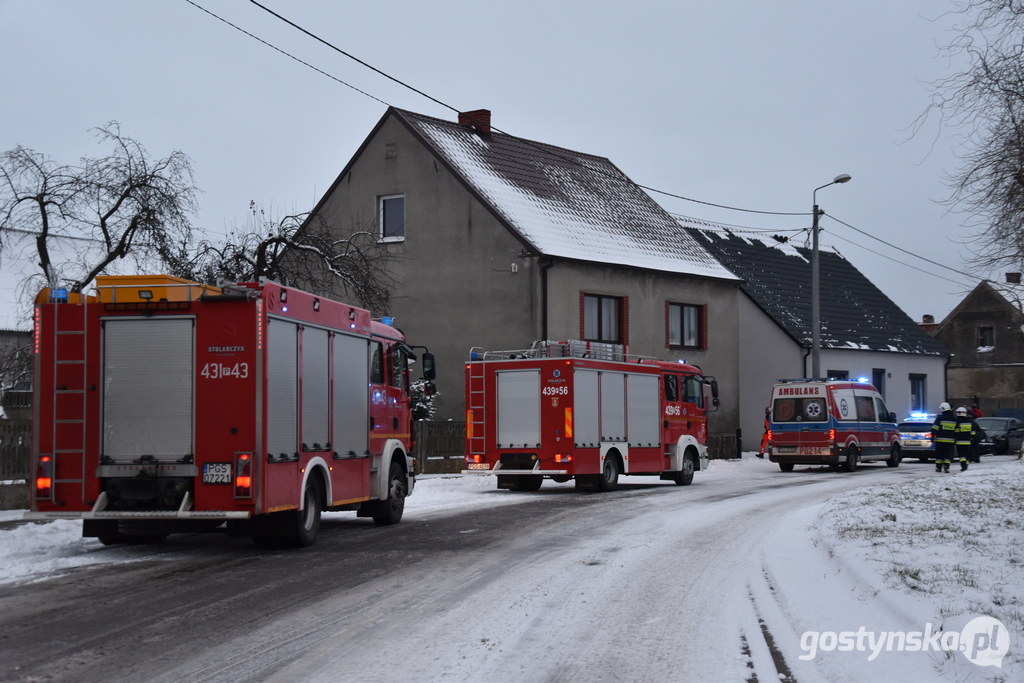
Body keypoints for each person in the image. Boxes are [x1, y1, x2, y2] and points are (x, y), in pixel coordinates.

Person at [931, 402, 958, 473]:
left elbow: (935, 428)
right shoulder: (954, 419)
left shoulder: (940, 418)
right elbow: (957, 431)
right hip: (950, 441)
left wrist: (933, 436)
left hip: (940, 440)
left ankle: (938, 468)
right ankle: (946, 467)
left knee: (939, 454)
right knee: (947, 454)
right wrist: (955, 438)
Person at [954, 406, 980, 471]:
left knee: (961, 454)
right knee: (967, 455)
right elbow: (973, 433)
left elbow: (956, 432)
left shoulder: (957, 422)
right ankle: (966, 465)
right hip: (968, 442)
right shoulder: (970, 422)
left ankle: (963, 466)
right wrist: (972, 439)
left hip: (959, 442)